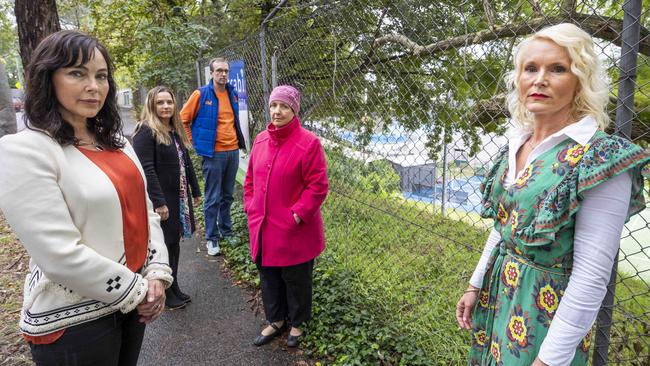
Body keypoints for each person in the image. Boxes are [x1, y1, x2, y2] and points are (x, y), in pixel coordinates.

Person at [455, 23, 649, 366]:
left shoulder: (599, 158)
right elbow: (504, 225)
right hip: (499, 296)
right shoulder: (517, 143)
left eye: (557, 69)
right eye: (531, 68)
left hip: (547, 317)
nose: (539, 79)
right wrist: (475, 284)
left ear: (580, 80)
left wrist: (549, 360)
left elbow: (591, 276)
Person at [0, 30, 173, 366]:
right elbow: (58, 254)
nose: (94, 86)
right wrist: (139, 292)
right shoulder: (24, 151)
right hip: (74, 322)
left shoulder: (119, 143)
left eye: (102, 76)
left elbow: (146, 211)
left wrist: (157, 274)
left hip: (131, 305)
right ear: (47, 78)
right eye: (77, 73)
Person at [243, 85, 328, 348]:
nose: (277, 111)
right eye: (273, 106)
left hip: (294, 230)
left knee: (296, 280)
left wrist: (297, 216)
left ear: (294, 110)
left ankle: (298, 323)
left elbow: (318, 186)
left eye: (284, 106)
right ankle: (276, 320)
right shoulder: (260, 140)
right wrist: (251, 206)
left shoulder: (309, 143)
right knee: (269, 277)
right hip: (263, 227)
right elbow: (250, 181)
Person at [133, 86, 201, 310]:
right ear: (152, 105)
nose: (165, 106)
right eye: (160, 102)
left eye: (169, 102)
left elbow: (185, 162)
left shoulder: (173, 130)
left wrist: (196, 190)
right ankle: (166, 293)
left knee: (174, 244)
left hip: (178, 199)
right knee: (165, 246)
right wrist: (159, 202)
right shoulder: (146, 131)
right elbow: (147, 169)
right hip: (162, 201)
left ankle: (174, 286)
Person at [180, 57, 246, 256]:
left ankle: (226, 230)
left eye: (226, 71)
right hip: (213, 154)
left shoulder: (232, 93)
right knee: (213, 197)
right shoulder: (201, 94)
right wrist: (195, 143)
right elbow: (182, 119)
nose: (223, 74)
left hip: (232, 152)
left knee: (227, 195)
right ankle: (211, 238)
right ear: (212, 73)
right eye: (219, 70)